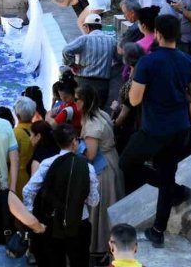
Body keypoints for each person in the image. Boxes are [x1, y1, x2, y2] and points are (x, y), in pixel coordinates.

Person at [119, 15, 191, 247]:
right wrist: (177, 93)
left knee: (128, 163)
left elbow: (134, 100)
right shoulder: (187, 60)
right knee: (167, 174)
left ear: (158, 34)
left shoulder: (148, 62)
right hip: (181, 129)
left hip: (155, 129)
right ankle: (158, 230)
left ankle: (176, 190)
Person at [24, 124, 100, 267]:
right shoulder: (86, 167)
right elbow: (94, 201)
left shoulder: (47, 163)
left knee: (54, 261)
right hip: (79, 221)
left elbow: (28, 190)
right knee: (79, 261)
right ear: (73, 142)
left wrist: (31, 215)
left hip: (53, 222)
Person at [76, 85, 124, 265]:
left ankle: (100, 246)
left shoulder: (92, 125)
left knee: (101, 209)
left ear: (84, 102)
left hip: (102, 169)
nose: (75, 102)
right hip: (112, 161)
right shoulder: (101, 114)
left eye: (78, 99)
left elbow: (90, 155)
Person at [61, 14, 116, 108]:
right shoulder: (112, 41)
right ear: (100, 27)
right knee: (98, 113)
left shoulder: (84, 39)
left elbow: (66, 50)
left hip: (83, 83)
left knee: (83, 113)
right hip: (103, 85)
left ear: (87, 27)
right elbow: (119, 59)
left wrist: (72, 65)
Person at [11, 97, 36, 197]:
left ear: (17, 115)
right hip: (34, 175)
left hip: (18, 178)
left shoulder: (15, 133)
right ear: (33, 114)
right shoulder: (39, 130)